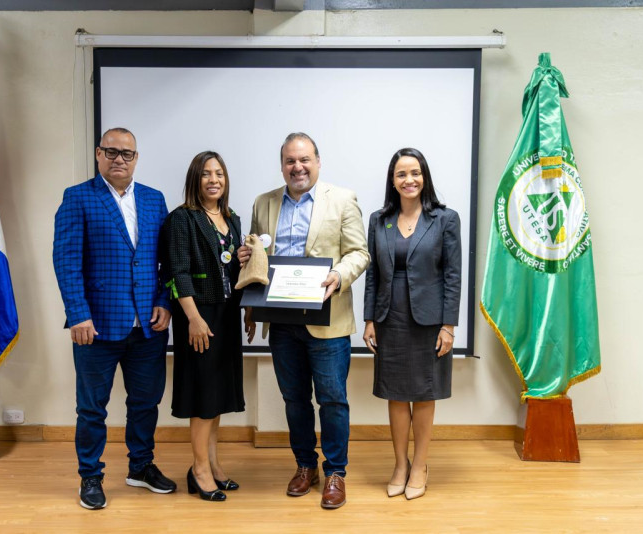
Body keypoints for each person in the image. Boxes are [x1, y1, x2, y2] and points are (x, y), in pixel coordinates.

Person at [238, 132, 369, 510]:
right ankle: (304, 466)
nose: (298, 167)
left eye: (304, 160)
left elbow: (359, 253)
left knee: (332, 400)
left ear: (318, 161)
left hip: (327, 321)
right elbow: (256, 261)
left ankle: (336, 473)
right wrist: (248, 258)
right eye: (290, 161)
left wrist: (339, 277)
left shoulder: (342, 199)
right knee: (294, 399)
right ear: (282, 165)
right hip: (281, 322)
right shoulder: (264, 203)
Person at [53, 127, 176, 510]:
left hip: (148, 326)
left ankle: (140, 467)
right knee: (92, 408)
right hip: (97, 326)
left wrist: (164, 302)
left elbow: (166, 261)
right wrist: (78, 315)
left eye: (127, 153)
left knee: (145, 403)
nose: (119, 158)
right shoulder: (77, 198)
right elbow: (66, 262)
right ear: (98, 154)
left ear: (136, 158)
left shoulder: (155, 200)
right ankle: (90, 476)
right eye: (112, 152)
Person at [362, 147, 462, 500]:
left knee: (423, 393)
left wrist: (448, 325)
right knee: (395, 393)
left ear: (425, 177)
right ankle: (400, 464)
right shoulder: (378, 219)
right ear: (393, 180)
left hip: (429, 320)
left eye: (415, 173)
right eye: (402, 174)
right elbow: (373, 273)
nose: (409, 180)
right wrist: (370, 318)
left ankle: (420, 464)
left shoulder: (445, 218)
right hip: (390, 317)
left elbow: (453, 274)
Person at [162, 151, 252, 502]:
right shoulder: (182, 219)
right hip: (199, 318)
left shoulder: (233, 218)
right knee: (202, 396)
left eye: (219, 173)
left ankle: (212, 463)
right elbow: (177, 272)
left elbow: (232, 271)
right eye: (206, 174)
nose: (214, 179)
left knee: (216, 396)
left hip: (227, 314)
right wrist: (194, 318)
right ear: (195, 180)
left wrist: (246, 303)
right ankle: (198, 469)